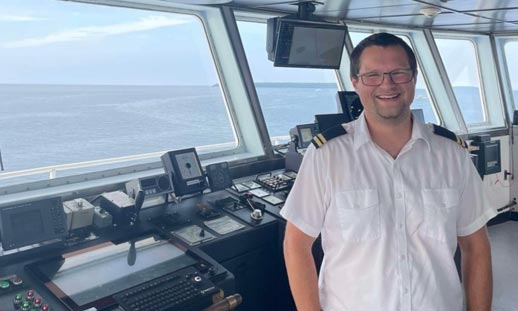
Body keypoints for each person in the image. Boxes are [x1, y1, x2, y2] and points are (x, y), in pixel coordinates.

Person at [280, 32, 497, 311]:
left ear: (414, 78)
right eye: (373, 75)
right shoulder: (327, 156)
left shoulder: (451, 154)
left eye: (398, 73)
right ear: (356, 83)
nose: (387, 84)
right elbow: (296, 244)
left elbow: (476, 246)